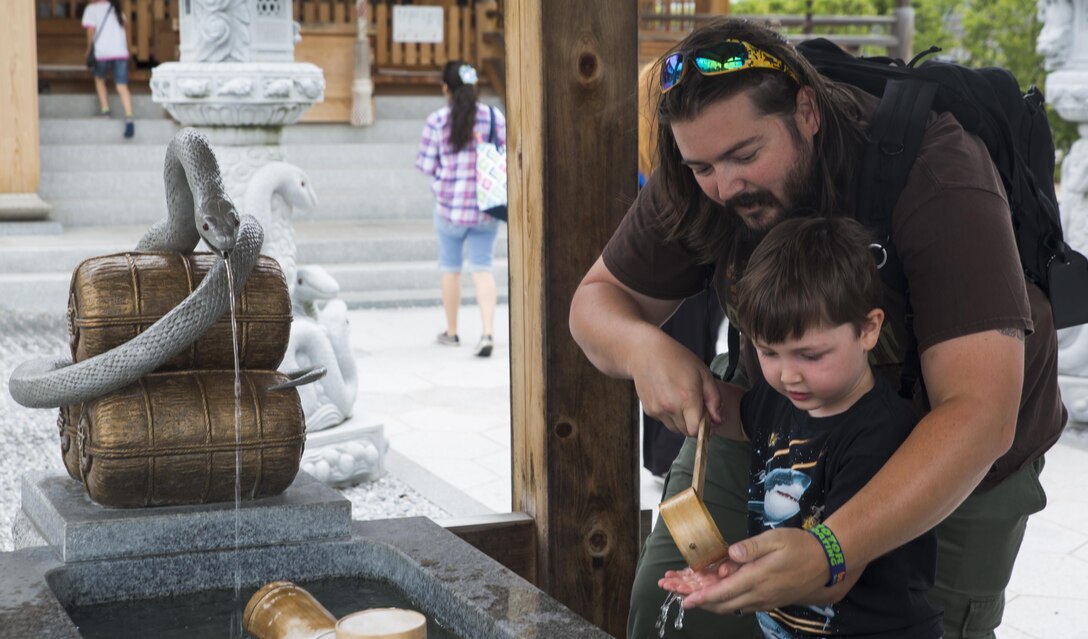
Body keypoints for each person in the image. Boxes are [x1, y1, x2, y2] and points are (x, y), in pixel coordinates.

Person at [568, 17, 1062, 639]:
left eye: (746, 156)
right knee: (678, 617)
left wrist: (832, 547)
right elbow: (596, 300)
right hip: (774, 416)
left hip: (948, 441)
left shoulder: (937, 170)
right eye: (703, 167)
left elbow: (981, 414)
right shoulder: (705, 169)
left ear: (806, 110)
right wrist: (643, 348)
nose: (726, 187)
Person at [660, 216, 940, 638]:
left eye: (810, 355)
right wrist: (703, 398)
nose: (788, 375)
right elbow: (742, 417)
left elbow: (835, 576)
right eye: (769, 352)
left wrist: (741, 578)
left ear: (869, 328)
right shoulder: (782, 398)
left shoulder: (880, 435)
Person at [637, 61, 727, 476]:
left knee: (686, 350)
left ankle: (669, 458)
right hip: (684, 242)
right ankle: (675, 458)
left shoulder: (654, 80)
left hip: (687, 239)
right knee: (684, 352)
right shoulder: (658, 82)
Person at [415, 61, 505, 358]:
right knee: (482, 267)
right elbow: (504, 153)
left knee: (450, 269)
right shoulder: (494, 117)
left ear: (445, 88)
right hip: (485, 207)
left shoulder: (438, 121)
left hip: (449, 209)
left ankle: (452, 332)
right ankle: (488, 331)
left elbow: (427, 166)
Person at [82, 0, 135, 139]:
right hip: (120, 52)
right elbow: (125, 31)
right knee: (122, 86)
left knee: (99, 80)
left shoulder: (91, 9)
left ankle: (105, 111)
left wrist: (88, 49)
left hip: (102, 52)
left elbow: (90, 31)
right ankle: (129, 118)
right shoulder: (117, 9)